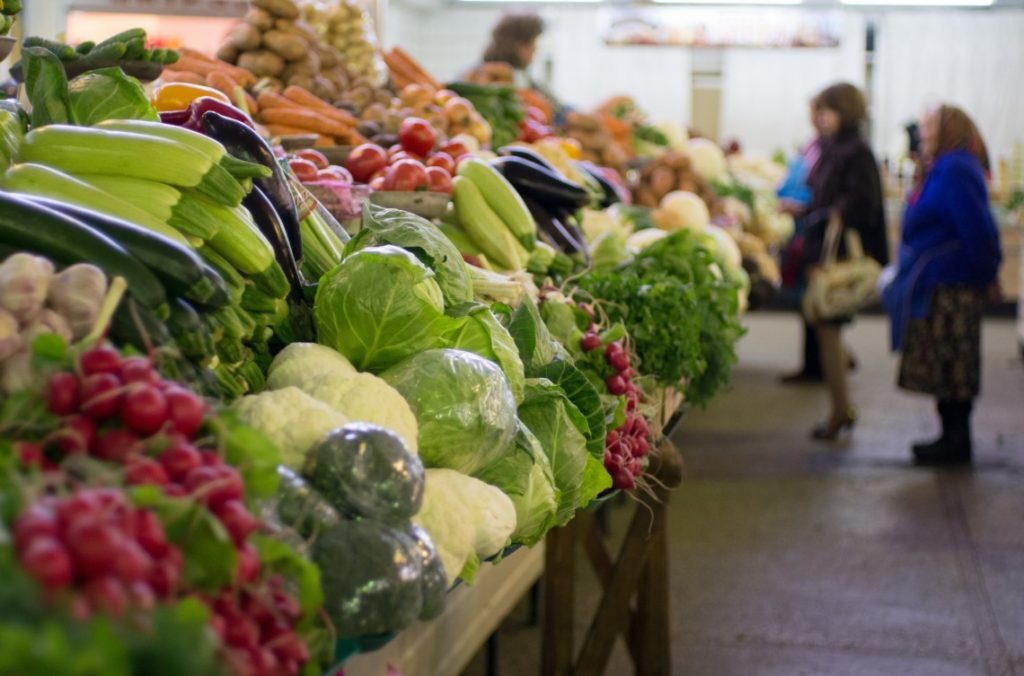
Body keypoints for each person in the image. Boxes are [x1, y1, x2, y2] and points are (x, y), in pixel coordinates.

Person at [882, 104, 1002, 465]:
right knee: (945, 365)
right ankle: (949, 436)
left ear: (949, 129)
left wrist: (987, 273)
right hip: (941, 282)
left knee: (953, 365)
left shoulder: (956, 169)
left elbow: (978, 230)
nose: (922, 132)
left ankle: (956, 441)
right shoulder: (944, 167)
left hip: (953, 284)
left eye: (929, 126)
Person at [802, 83, 889, 441]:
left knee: (828, 326)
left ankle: (840, 410)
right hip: (828, 251)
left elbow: (861, 204)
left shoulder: (856, 152)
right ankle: (840, 407)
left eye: (828, 111)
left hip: (841, 257)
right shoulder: (835, 147)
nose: (821, 118)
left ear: (846, 112)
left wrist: (829, 215)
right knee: (826, 327)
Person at [778, 99, 859, 385]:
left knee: (824, 314)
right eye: (817, 113)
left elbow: (840, 200)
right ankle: (819, 368)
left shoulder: (849, 151)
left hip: (825, 242)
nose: (819, 118)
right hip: (814, 235)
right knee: (814, 310)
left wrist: (802, 209)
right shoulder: (821, 146)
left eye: (826, 112)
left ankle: (832, 383)